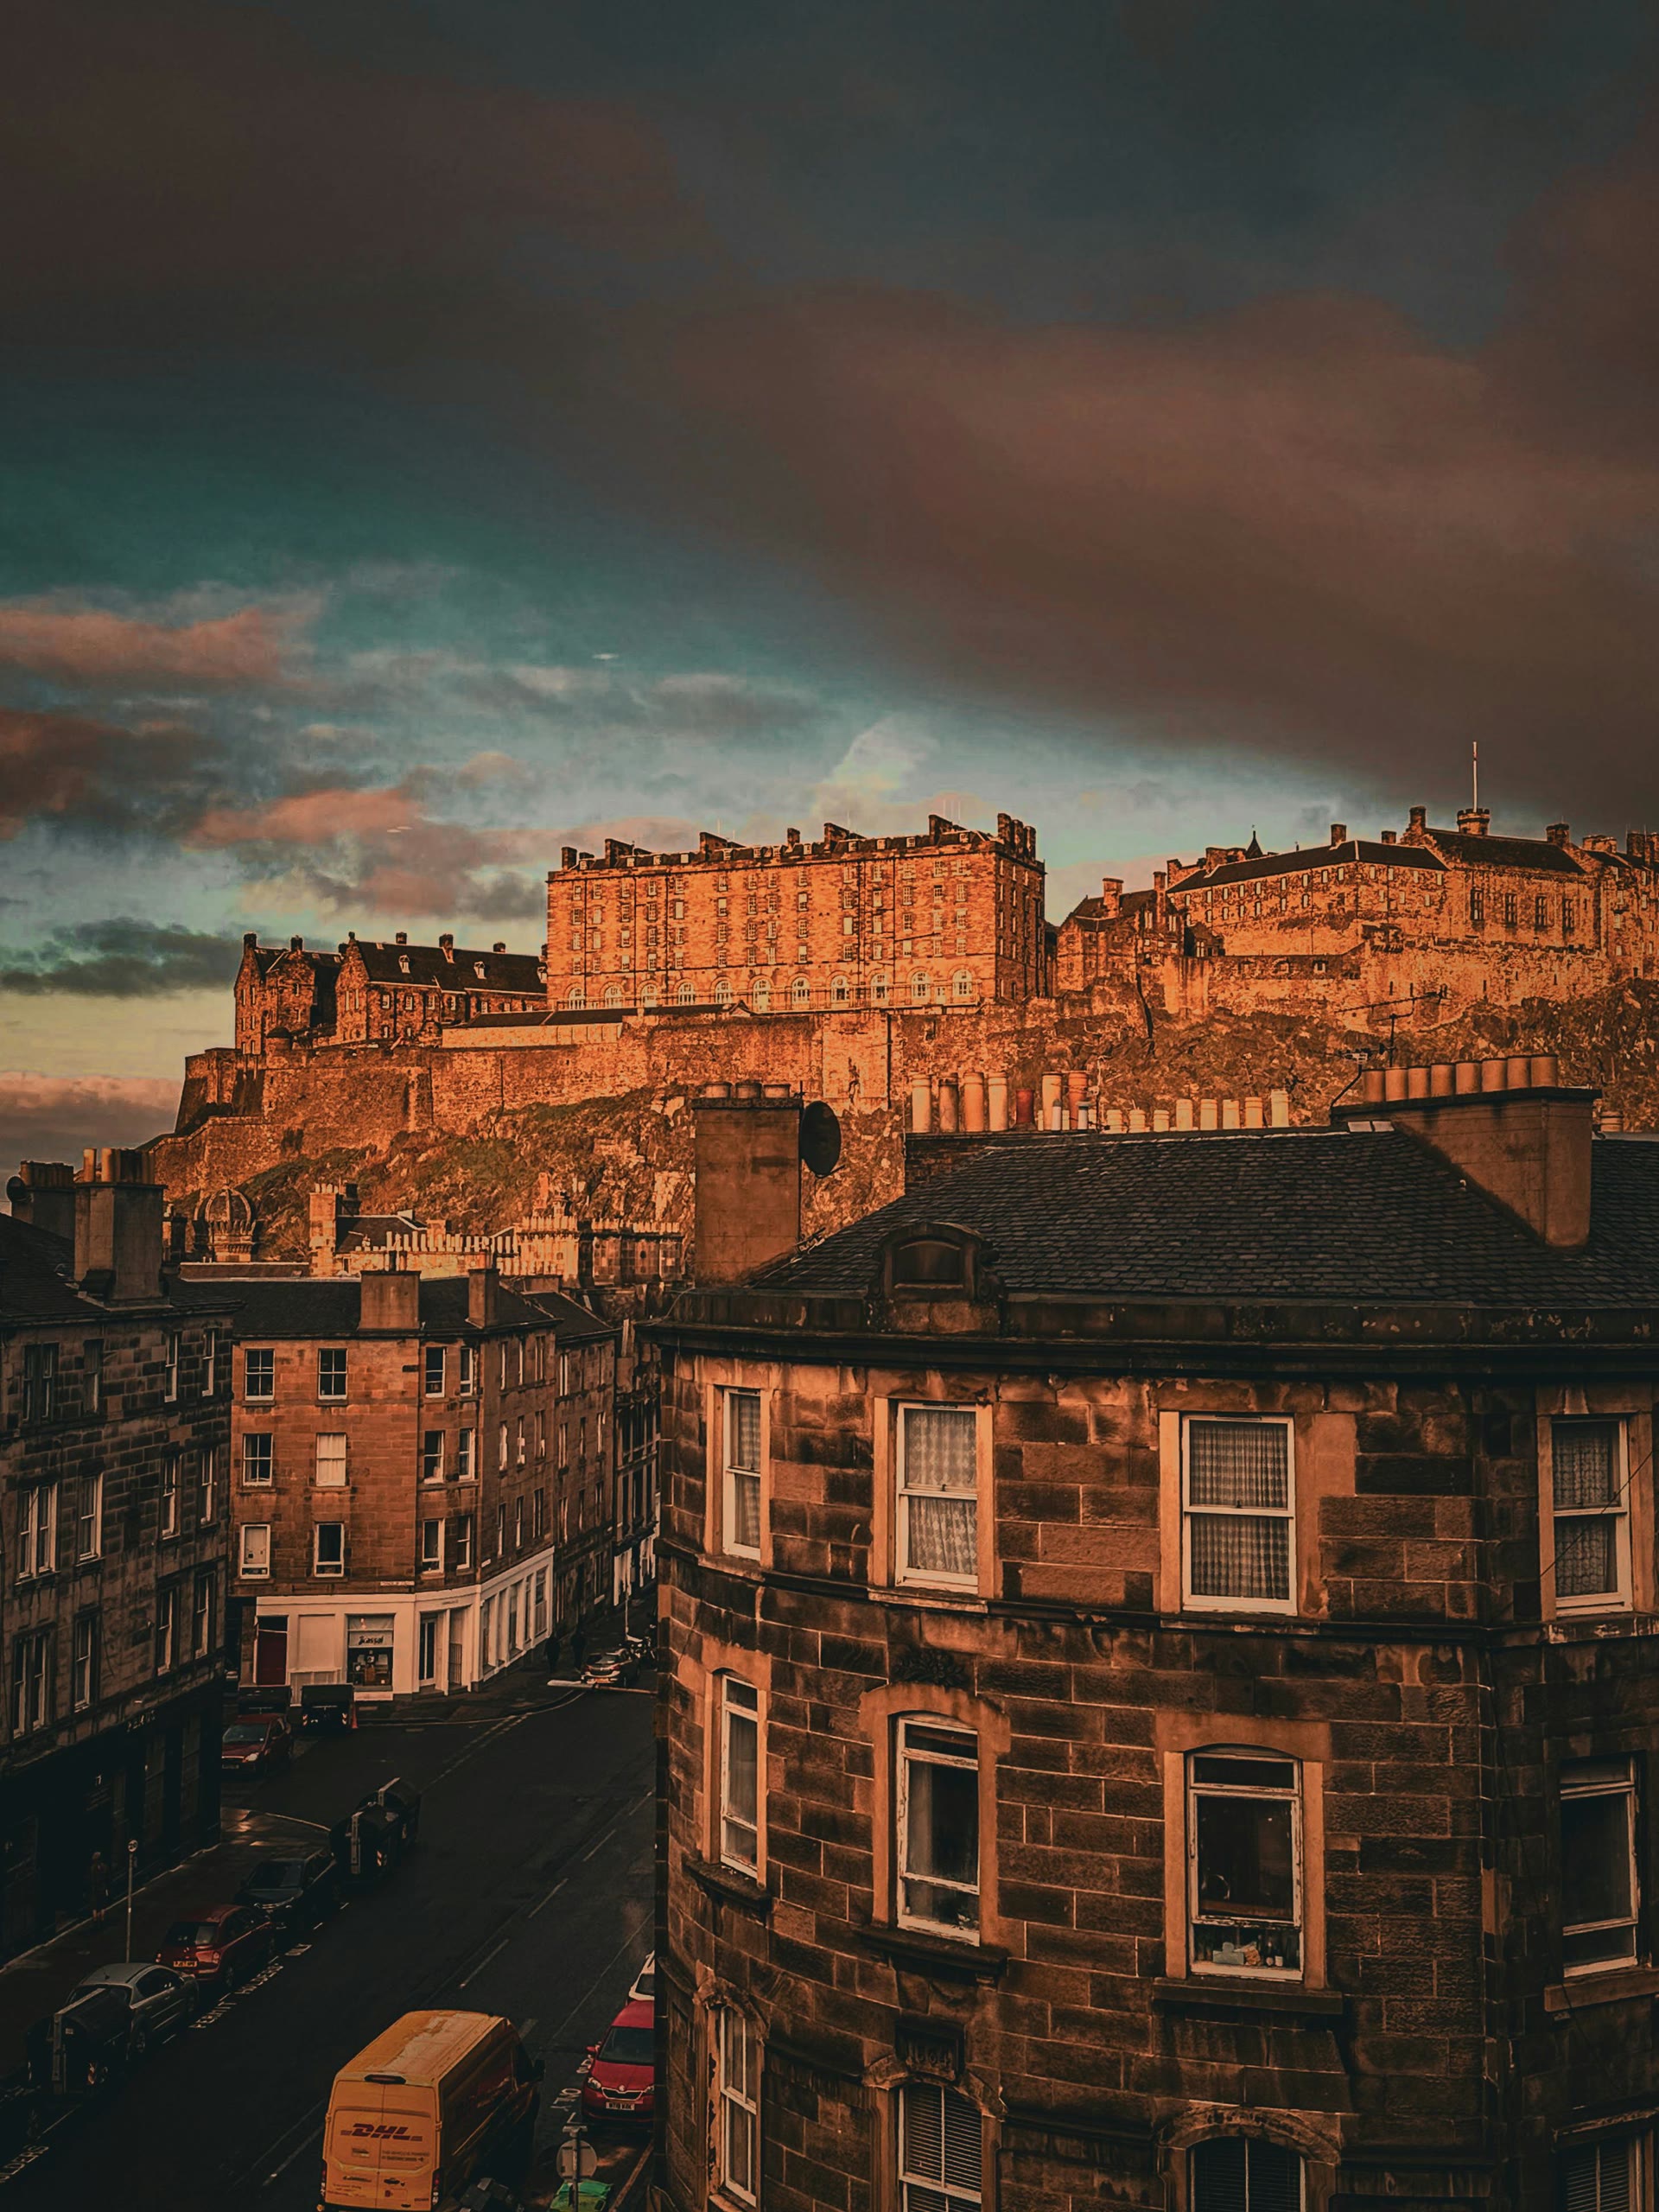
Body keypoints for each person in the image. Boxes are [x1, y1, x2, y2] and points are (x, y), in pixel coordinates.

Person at [86, 1847, 109, 1926]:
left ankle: (95, 1920)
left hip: (94, 1889)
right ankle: (102, 1919)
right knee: (103, 1905)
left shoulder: (92, 1869)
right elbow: (106, 1876)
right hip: (102, 1887)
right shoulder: (104, 1867)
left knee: (94, 1906)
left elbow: (90, 1879)